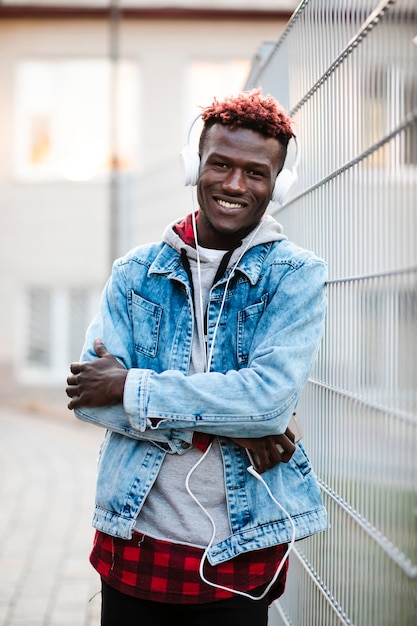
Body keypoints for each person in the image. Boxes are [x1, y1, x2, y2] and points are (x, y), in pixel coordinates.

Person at [66, 89, 328, 626]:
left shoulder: (297, 277)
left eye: (256, 172)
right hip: (132, 535)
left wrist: (131, 387)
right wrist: (238, 422)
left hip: (241, 547)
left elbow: (269, 403)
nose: (235, 185)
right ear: (196, 167)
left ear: (279, 183)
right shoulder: (134, 272)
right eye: (221, 165)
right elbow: (89, 398)